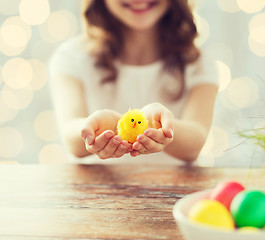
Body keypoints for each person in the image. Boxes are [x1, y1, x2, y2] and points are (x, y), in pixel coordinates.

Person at [49, 0, 219, 165]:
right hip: (94, 187)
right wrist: (99, 126)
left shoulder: (198, 63)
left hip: (174, 189)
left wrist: (161, 127)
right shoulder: (71, 57)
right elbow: (71, 137)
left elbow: (195, 143)